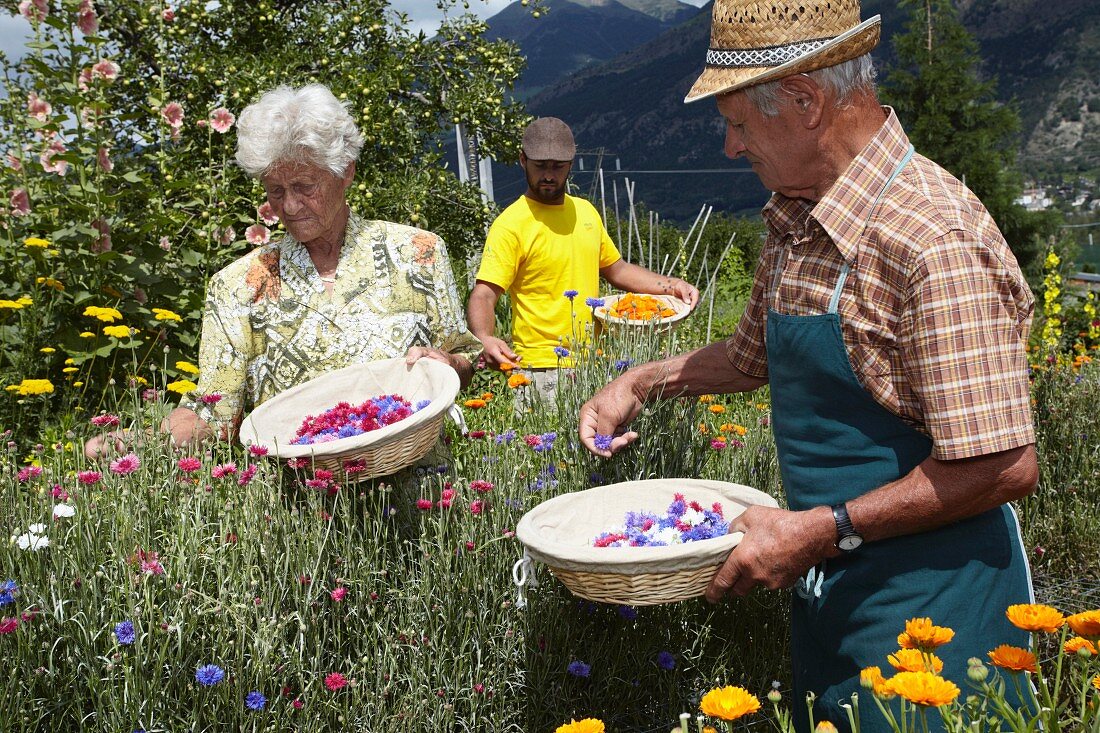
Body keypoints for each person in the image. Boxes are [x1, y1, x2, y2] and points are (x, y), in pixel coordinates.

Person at [578, 2, 1037, 731]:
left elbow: (1005, 465)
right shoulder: (799, 215)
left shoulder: (929, 236)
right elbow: (748, 356)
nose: (730, 147)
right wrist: (641, 380)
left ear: (805, 101)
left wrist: (820, 530)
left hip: (939, 631)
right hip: (833, 599)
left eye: (737, 122)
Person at [85, 84, 480, 456]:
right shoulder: (238, 286)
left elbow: (463, 360)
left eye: (304, 186)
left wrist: (448, 365)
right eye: (275, 190)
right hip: (298, 507)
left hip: (418, 492)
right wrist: (140, 442)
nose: (288, 206)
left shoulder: (417, 252)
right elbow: (214, 413)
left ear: (346, 172)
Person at [467, 117, 698, 407]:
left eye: (558, 167)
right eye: (540, 166)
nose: (549, 175)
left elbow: (617, 270)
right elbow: (485, 293)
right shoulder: (510, 224)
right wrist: (485, 338)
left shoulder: (586, 213)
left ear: (571, 165)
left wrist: (671, 286)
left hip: (595, 366)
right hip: (540, 369)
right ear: (522, 160)